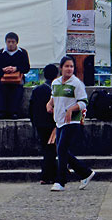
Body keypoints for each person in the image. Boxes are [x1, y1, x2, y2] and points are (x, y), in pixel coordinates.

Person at [47, 55, 95, 191]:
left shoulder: (77, 84)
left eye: (71, 66)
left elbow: (83, 102)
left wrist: (71, 109)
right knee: (61, 150)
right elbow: (53, 96)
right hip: (59, 120)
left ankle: (60, 181)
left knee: (61, 148)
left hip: (72, 120)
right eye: (67, 66)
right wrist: (49, 104)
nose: (69, 69)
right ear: (61, 68)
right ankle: (85, 172)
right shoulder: (55, 83)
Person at [0, 32, 31, 119]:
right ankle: (1, 111)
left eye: (13, 42)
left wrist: (16, 68)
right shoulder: (0, 53)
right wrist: (3, 70)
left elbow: (26, 67)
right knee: (0, 87)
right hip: (3, 78)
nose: (10, 44)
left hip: (17, 78)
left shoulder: (22, 53)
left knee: (18, 87)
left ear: (16, 43)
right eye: (8, 42)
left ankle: (14, 111)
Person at [29, 63, 58, 185]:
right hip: (52, 123)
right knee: (51, 150)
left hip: (40, 123)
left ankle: (49, 175)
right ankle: (47, 175)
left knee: (46, 149)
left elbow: (31, 107)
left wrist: (34, 122)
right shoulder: (56, 89)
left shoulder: (37, 90)